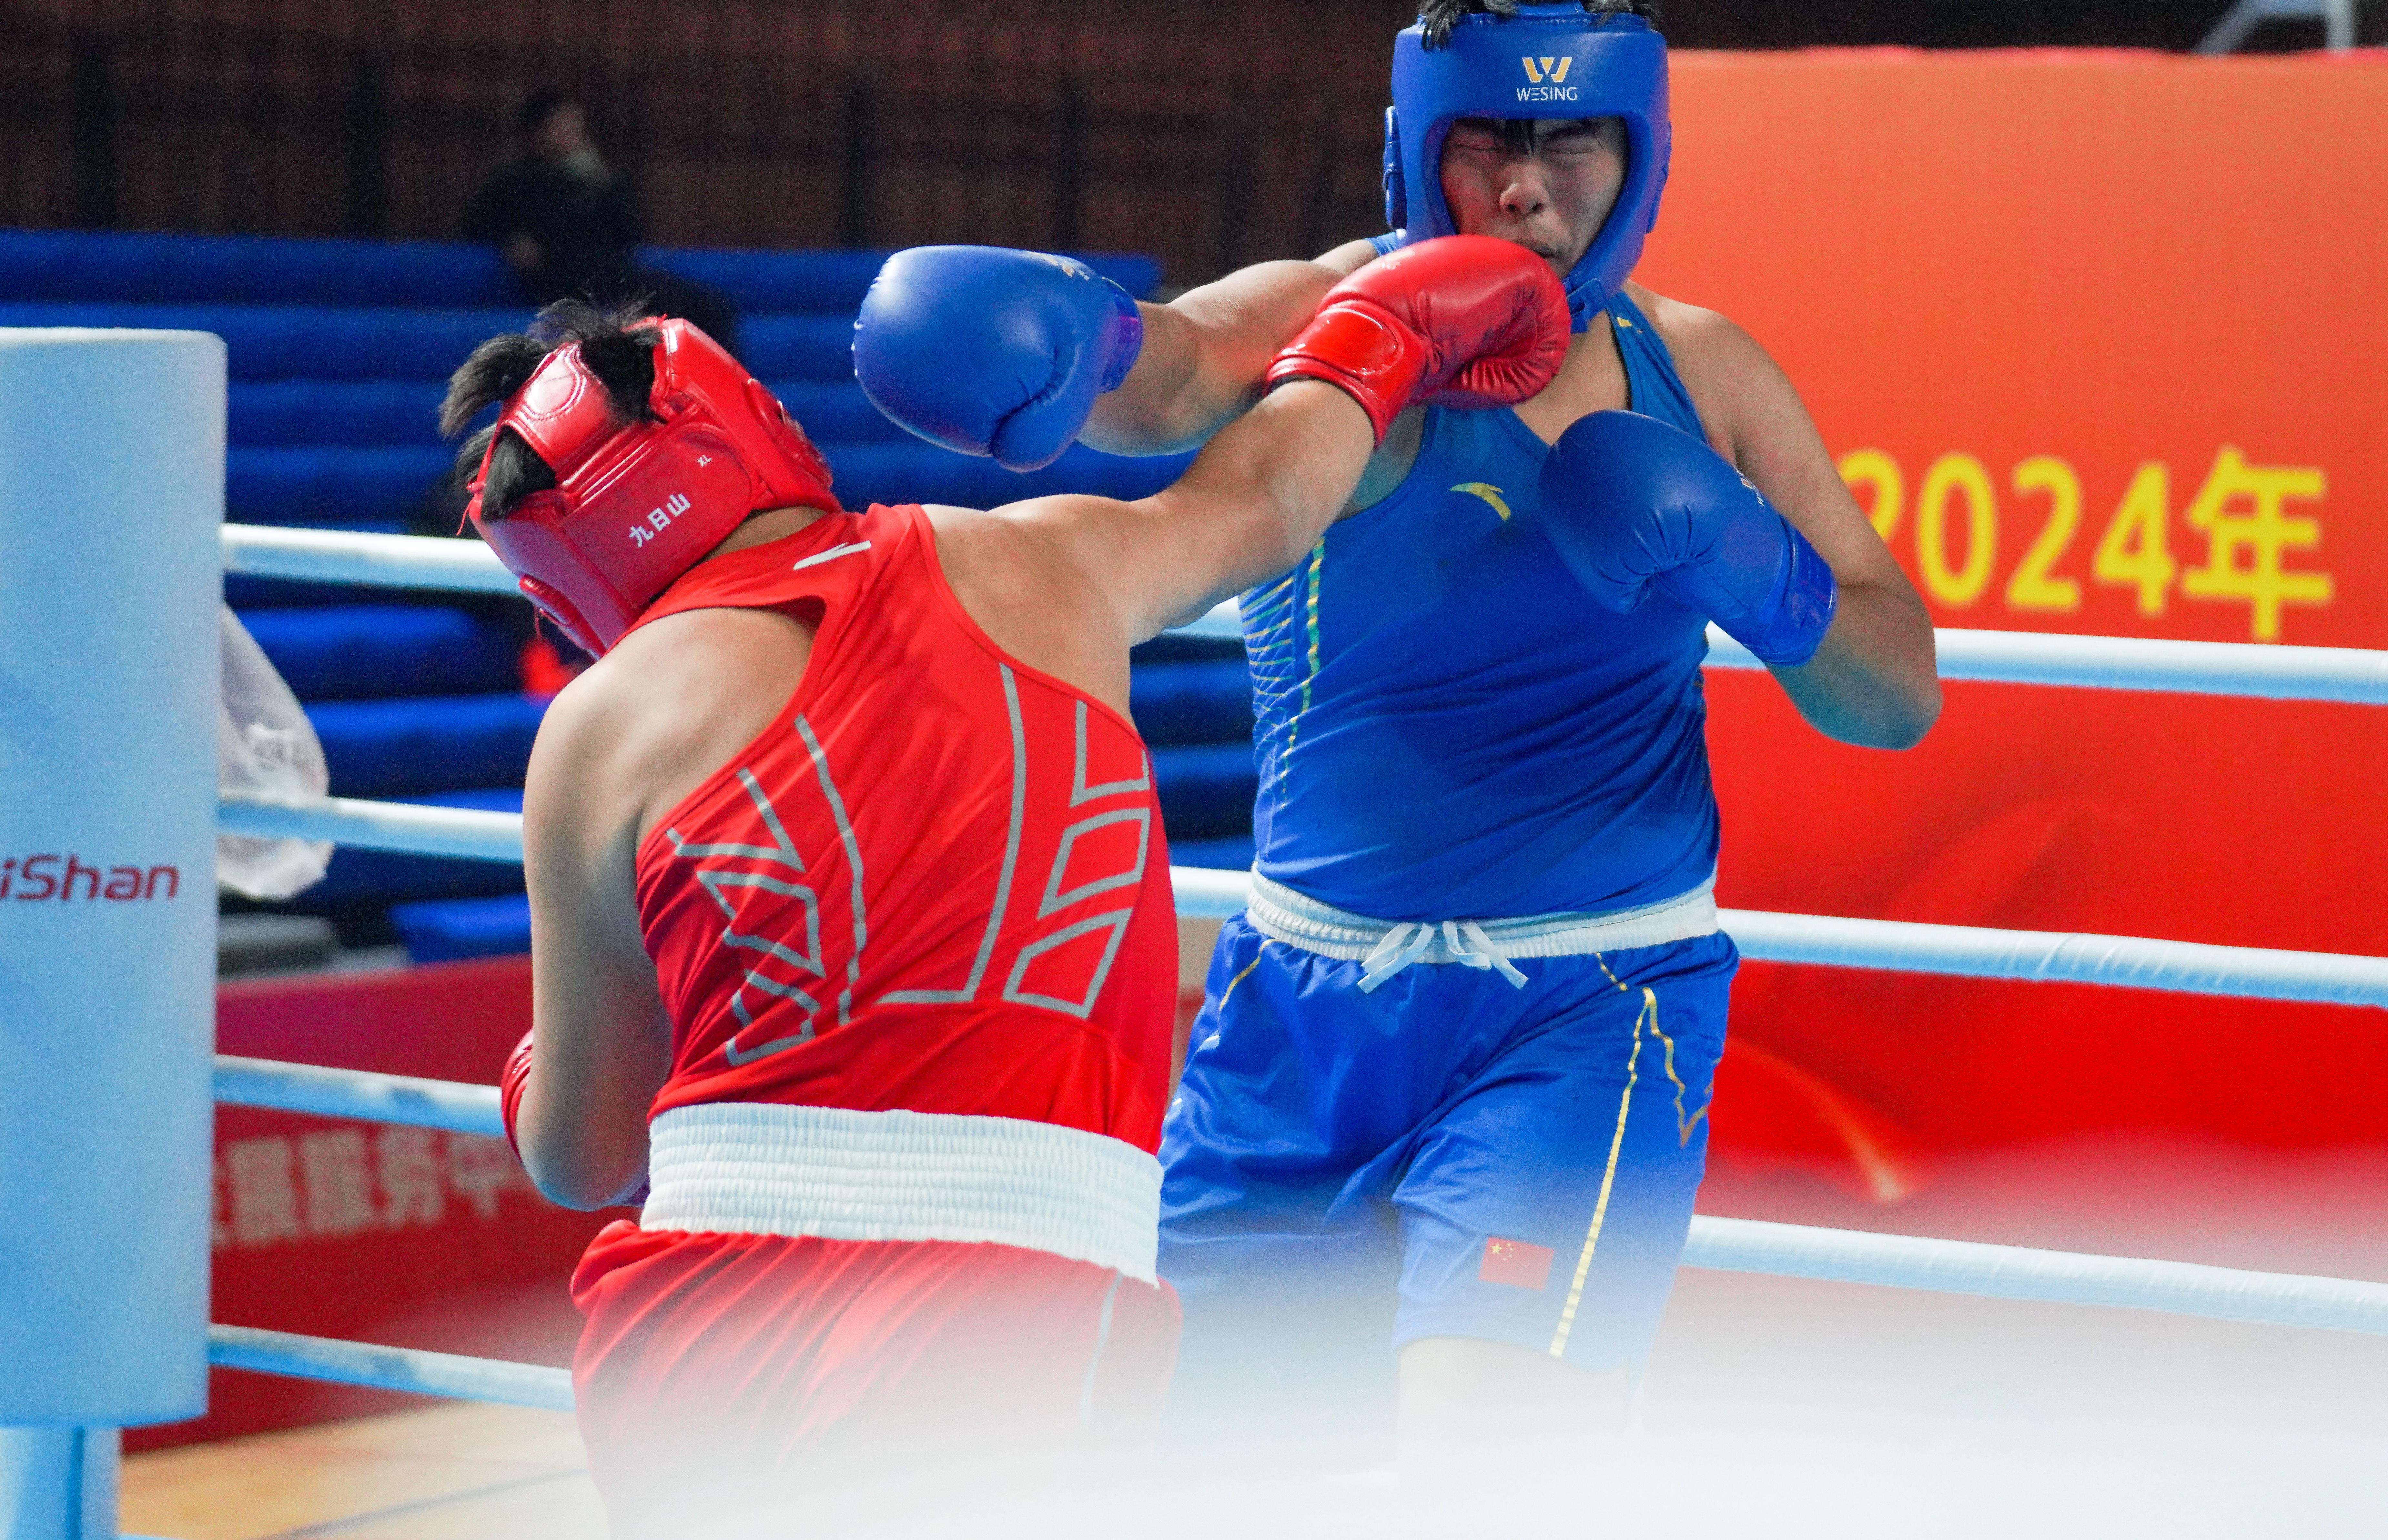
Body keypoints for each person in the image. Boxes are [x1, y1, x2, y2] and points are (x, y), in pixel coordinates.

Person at [850, 0, 1942, 1526]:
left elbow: (1894, 693)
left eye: (1571, 139)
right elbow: (1167, 374)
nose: (1524, 184)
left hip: (1583, 1004)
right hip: (1300, 1009)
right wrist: (1074, 332)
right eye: (1486, 137)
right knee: (1196, 1479)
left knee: (1489, 1474)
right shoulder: (1324, 319)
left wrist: (1756, 568)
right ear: (1416, 146)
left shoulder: (1699, 370)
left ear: (1639, 155)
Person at [453, 237, 1569, 1538]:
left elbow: (584, 1154)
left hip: (692, 1325)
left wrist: (536, 1069)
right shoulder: (1034, 562)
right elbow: (1268, 500)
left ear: (561, 575)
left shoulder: (594, 730)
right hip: (1001, 1307)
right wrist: (1385, 331)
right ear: (752, 425)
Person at [464, 87, 739, 353]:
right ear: (538, 133)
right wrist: (511, 239)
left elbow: (629, 234)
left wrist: (601, 184)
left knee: (709, 307)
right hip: (565, 280)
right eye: (564, 127)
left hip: (612, 275)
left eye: (577, 127)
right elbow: (479, 227)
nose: (575, 135)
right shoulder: (515, 184)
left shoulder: (593, 183)